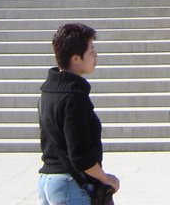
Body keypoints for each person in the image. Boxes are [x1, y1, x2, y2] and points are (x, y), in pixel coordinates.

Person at [38, 22, 120, 205]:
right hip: (70, 185)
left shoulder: (48, 91)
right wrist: (106, 178)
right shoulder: (73, 97)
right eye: (91, 51)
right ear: (75, 58)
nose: (95, 55)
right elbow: (80, 155)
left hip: (48, 181)